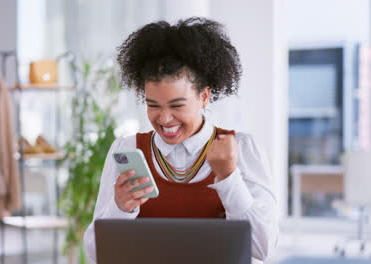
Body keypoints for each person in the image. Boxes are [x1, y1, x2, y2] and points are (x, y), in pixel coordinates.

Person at [84, 17, 278, 263]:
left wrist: (229, 178)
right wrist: (120, 209)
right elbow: (95, 254)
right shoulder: (128, 149)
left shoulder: (242, 149)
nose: (164, 118)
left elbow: (263, 248)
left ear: (204, 96)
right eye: (152, 105)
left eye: (177, 105)